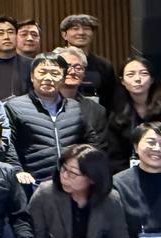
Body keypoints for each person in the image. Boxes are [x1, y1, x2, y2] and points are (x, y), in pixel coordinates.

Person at [5, 53, 101, 184]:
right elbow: (8, 144)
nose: (48, 78)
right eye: (42, 72)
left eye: (55, 73)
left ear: (63, 78)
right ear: (32, 76)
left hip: (71, 181)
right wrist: (17, 170)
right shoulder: (14, 106)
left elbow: (91, 142)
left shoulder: (75, 107)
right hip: (32, 182)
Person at [107, 56, 161, 171]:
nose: (137, 79)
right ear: (122, 81)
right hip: (127, 172)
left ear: (152, 79)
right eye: (130, 74)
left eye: (144, 74)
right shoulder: (115, 109)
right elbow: (114, 154)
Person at [54, 46, 111, 154]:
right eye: (67, 66)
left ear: (84, 74)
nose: (72, 71)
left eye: (78, 67)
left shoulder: (97, 110)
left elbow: (101, 149)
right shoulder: (43, 104)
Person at [59, 14, 116, 107]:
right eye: (75, 28)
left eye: (86, 28)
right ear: (64, 35)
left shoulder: (104, 65)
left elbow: (110, 98)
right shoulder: (53, 61)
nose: (81, 32)